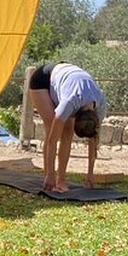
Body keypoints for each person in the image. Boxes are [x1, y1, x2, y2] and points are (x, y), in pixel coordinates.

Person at [28, 62, 107, 192]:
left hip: (69, 81)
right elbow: (52, 141)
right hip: (43, 80)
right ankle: (49, 179)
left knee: (68, 133)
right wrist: (50, 175)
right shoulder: (70, 102)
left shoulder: (100, 107)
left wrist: (90, 174)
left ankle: (61, 181)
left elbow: (93, 140)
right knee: (51, 127)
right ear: (75, 113)